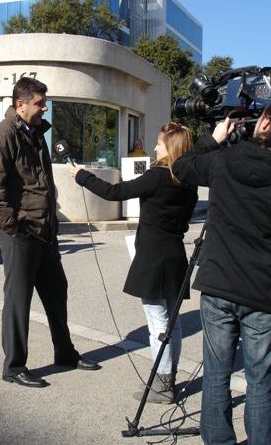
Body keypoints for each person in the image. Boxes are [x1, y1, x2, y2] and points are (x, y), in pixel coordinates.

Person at [172, 92, 271, 445]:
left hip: (218, 286)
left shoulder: (222, 161)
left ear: (264, 124)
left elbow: (182, 167)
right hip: (263, 294)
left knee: (216, 375)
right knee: (260, 380)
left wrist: (213, 139)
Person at [0, 77, 100, 388]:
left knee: (57, 290)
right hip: (20, 231)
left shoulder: (36, 133)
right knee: (19, 299)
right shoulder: (2, 135)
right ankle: (14, 366)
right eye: (39, 103)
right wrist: (12, 227)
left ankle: (65, 353)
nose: (45, 107)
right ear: (20, 105)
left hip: (44, 229)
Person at [70, 123, 197, 403]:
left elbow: (114, 192)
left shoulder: (158, 176)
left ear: (171, 147)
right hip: (175, 254)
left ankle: (163, 383)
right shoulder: (189, 181)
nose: (154, 147)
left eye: (159, 144)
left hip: (153, 256)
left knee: (158, 323)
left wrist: (82, 176)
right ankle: (168, 378)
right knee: (172, 323)